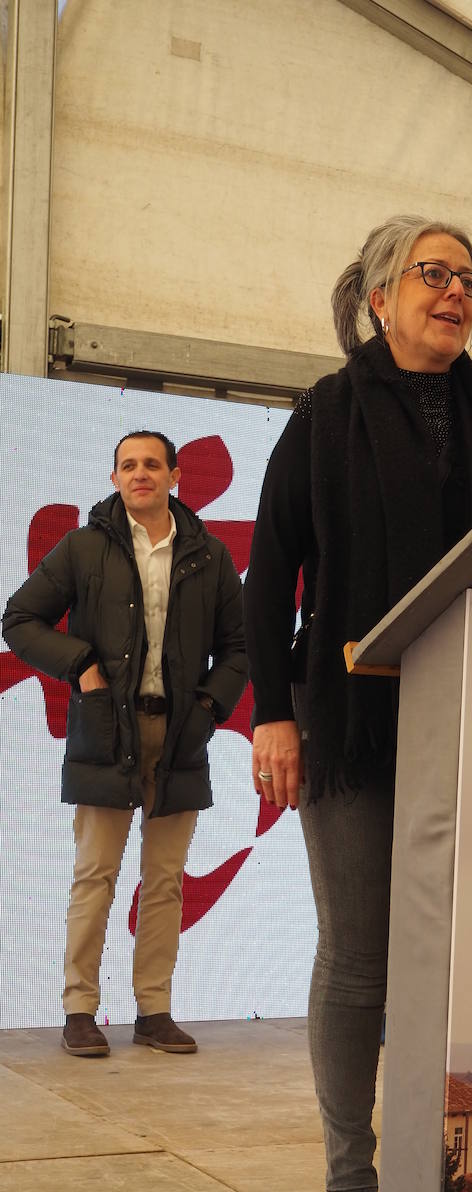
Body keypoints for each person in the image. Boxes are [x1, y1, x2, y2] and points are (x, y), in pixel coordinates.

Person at [244, 214, 472, 1192]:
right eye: (433, 274)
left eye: (469, 279)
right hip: (352, 721)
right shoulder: (325, 415)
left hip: (468, 714)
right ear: (380, 298)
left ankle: (434, 1170)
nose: (455, 292)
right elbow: (269, 572)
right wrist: (272, 714)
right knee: (360, 957)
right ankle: (353, 1190)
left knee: (449, 966)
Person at [2, 430, 247, 1057]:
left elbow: (240, 647)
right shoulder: (84, 547)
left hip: (181, 734)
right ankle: (79, 1010)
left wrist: (209, 707)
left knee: (165, 881)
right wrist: (81, 665)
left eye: (152, 464)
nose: (141, 473)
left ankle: (153, 1010)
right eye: (128, 465)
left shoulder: (210, 556)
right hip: (106, 731)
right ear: (114, 478)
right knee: (96, 875)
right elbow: (19, 620)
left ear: (175, 475)